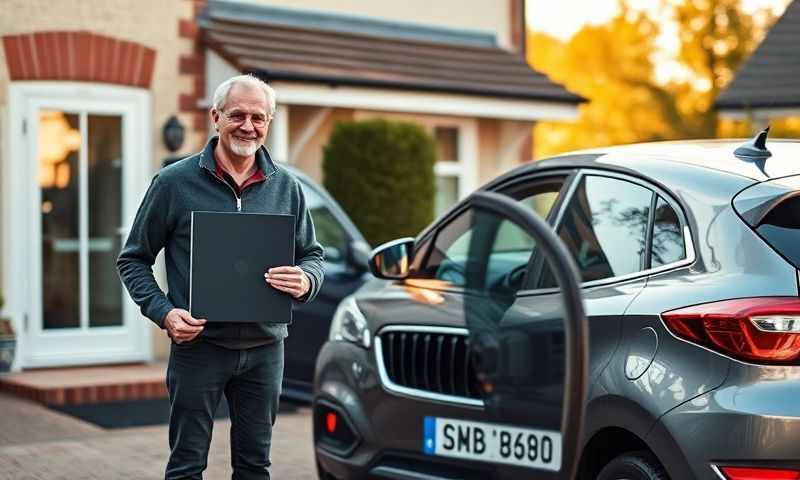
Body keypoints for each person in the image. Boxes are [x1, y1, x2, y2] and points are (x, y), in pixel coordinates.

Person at [117, 74, 324, 480]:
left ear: (269, 123)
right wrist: (165, 313)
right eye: (238, 115)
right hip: (199, 349)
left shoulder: (287, 188)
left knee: (254, 468)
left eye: (258, 118)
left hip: (266, 352)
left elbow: (313, 256)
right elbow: (133, 259)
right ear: (216, 116)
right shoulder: (174, 183)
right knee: (186, 467)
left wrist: (306, 280)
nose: (248, 126)